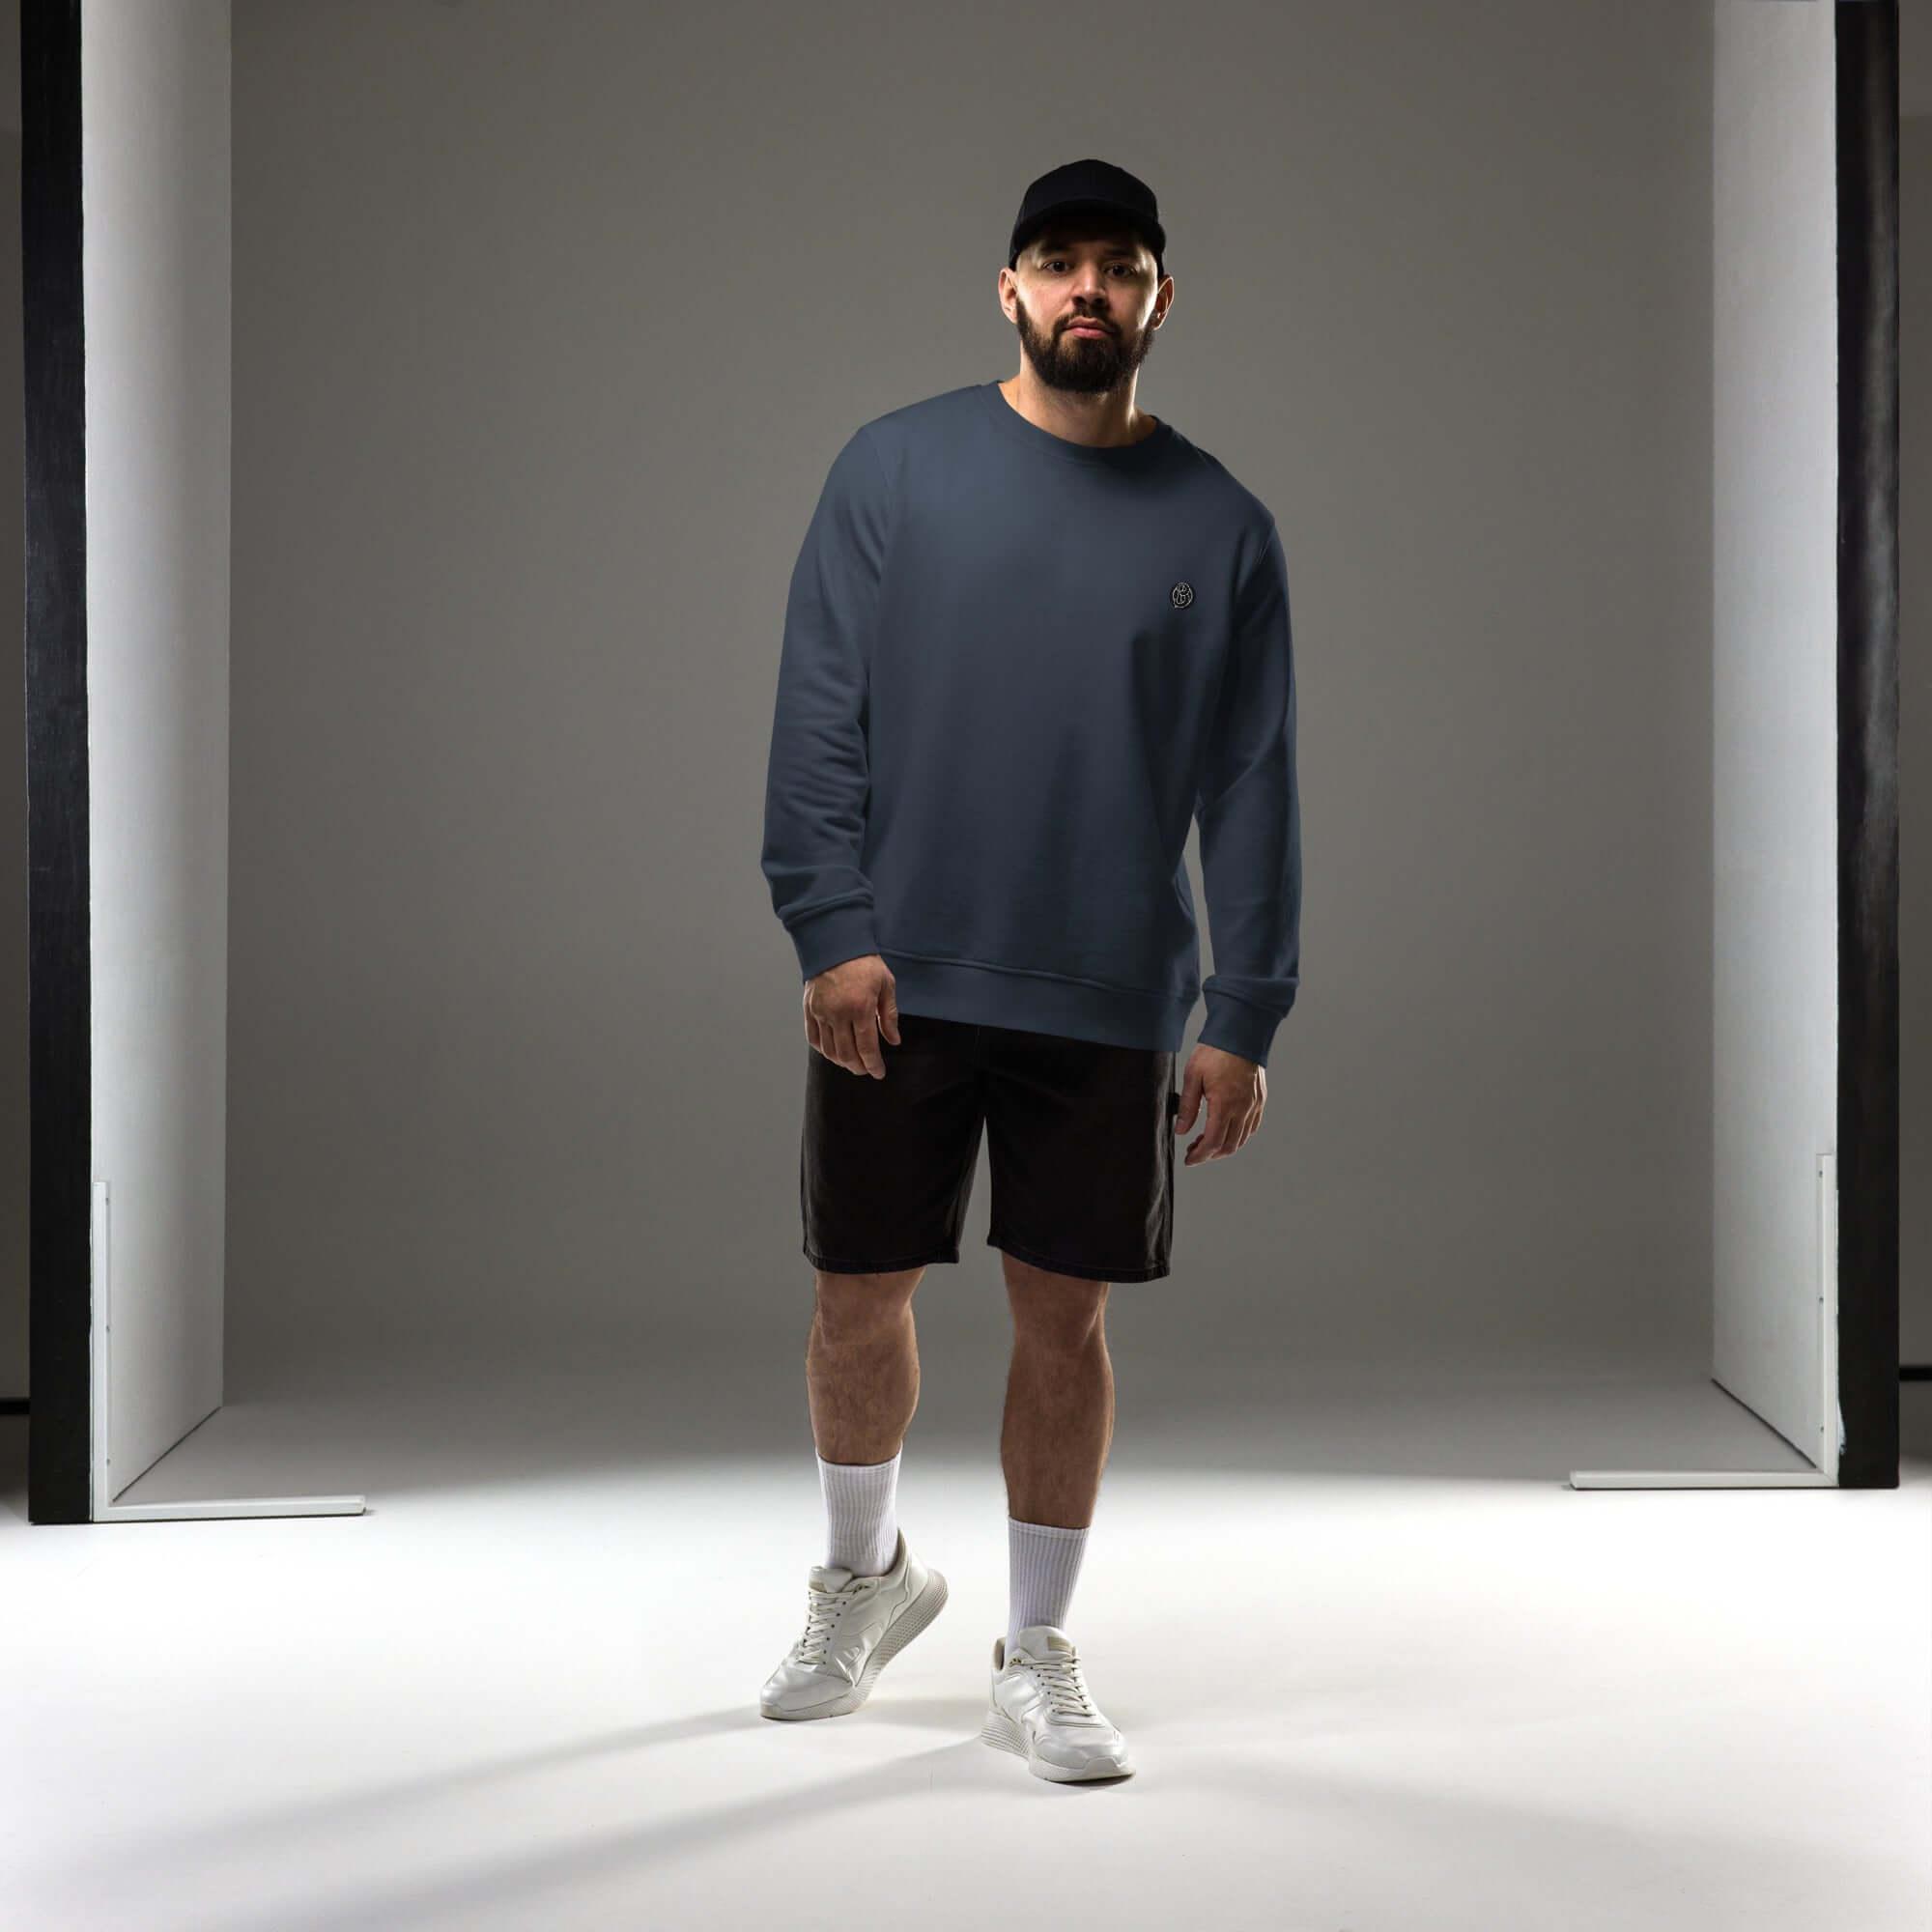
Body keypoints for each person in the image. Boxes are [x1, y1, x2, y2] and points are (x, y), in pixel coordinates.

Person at [755, 158, 1301, 1783]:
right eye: (1058, 263)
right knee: (859, 1294)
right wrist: (830, 929)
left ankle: (1038, 1644)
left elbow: (1254, 781)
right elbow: (815, 713)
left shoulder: (1223, 524)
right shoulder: (893, 470)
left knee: (1062, 1320)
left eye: (1117, 268)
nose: (1087, 291)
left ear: (1156, 299)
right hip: (900, 975)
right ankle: (865, 1579)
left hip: (1112, 989)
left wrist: (1244, 1009)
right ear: (1008, 287)